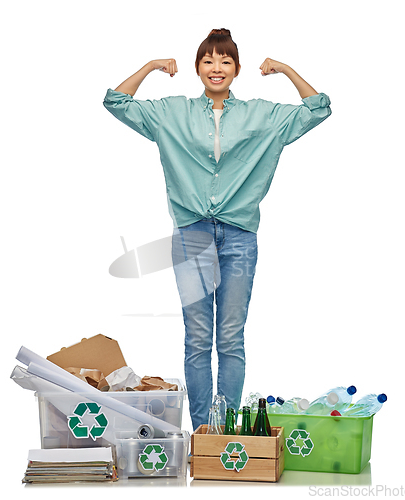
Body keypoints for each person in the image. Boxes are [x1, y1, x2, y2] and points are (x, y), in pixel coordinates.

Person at [103, 28, 331, 431]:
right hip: (192, 234)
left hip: (239, 235)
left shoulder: (262, 115)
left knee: (230, 339)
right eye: (208, 60)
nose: (216, 68)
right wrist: (152, 66)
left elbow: (317, 108)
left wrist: (287, 70)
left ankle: (225, 432)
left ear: (237, 69)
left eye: (225, 61)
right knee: (197, 339)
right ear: (197, 68)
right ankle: (202, 434)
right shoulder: (172, 112)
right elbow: (116, 101)